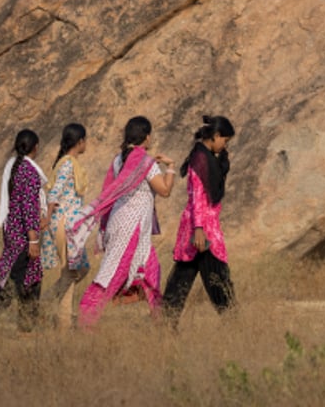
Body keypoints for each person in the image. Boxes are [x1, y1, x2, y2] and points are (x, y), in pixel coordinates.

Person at [71, 116, 175, 327]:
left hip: (123, 224)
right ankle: (86, 320)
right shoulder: (146, 163)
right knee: (113, 274)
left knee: (151, 270)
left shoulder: (119, 160)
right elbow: (164, 190)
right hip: (131, 227)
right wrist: (170, 167)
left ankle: (162, 323)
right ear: (147, 137)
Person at [0, 129, 55, 334]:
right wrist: (33, 240)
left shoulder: (15, 167)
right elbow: (29, 208)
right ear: (35, 147)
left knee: (32, 277)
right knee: (16, 280)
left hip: (13, 231)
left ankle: (27, 325)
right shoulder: (28, 172)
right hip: (23, 235)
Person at [162, 115, 237, 324]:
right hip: (201, 227)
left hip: (204, 225)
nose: (225, 145)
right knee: (217, 275)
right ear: (215, 136)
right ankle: (232, 320)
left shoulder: (209, 157)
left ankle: (166, 323)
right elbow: (197, 196)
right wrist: (199, 228)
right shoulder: (200, 159)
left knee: (183, 276)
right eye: (224, 140)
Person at [44, 122, 91, 329]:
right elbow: (54, 193)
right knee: (70, 272)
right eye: (85, 140)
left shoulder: (70, 162)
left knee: (81, 269)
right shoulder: (67, 164)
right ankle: (63, 324)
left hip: (71, 226)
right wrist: (49, 215)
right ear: (80, 142)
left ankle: (45, 301)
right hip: (64, 225)